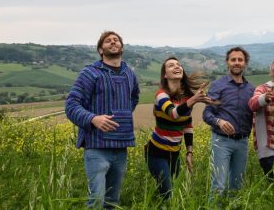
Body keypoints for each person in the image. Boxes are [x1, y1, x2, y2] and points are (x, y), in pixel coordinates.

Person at [65, 31, 140, 208]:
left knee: (112, 202)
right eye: (108, 41)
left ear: (122, 47)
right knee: (97, 201)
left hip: (121, 147)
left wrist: (123, 116)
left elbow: (134, 97)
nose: (113, 42)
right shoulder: (90, 73)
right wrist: (93, 119)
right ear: (101, 49)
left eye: (116, 40)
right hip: (97, 147)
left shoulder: (129, 73)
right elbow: (71, 105)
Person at [145, 57, 211, 200]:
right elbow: (174, 113)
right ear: (165, 75)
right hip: (157, 153)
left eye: (179, 65)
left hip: (175, 153)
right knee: (167, 196)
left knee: (176, 193)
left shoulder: (186, 97)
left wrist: (189, 152)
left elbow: (187, 125)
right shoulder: (161, 95)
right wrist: (193, 99)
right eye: (171, 65)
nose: (177, 67)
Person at [203, 47, 255, 197]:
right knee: (218, 186)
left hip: (243, 142)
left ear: (245, 63)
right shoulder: (218, 85)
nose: (236, 63)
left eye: (240, 60)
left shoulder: (251, 89)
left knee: (237, 187)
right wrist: (219, 121)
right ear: (227, 63)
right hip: (221, 141)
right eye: (233, 60)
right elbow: (207, 113)